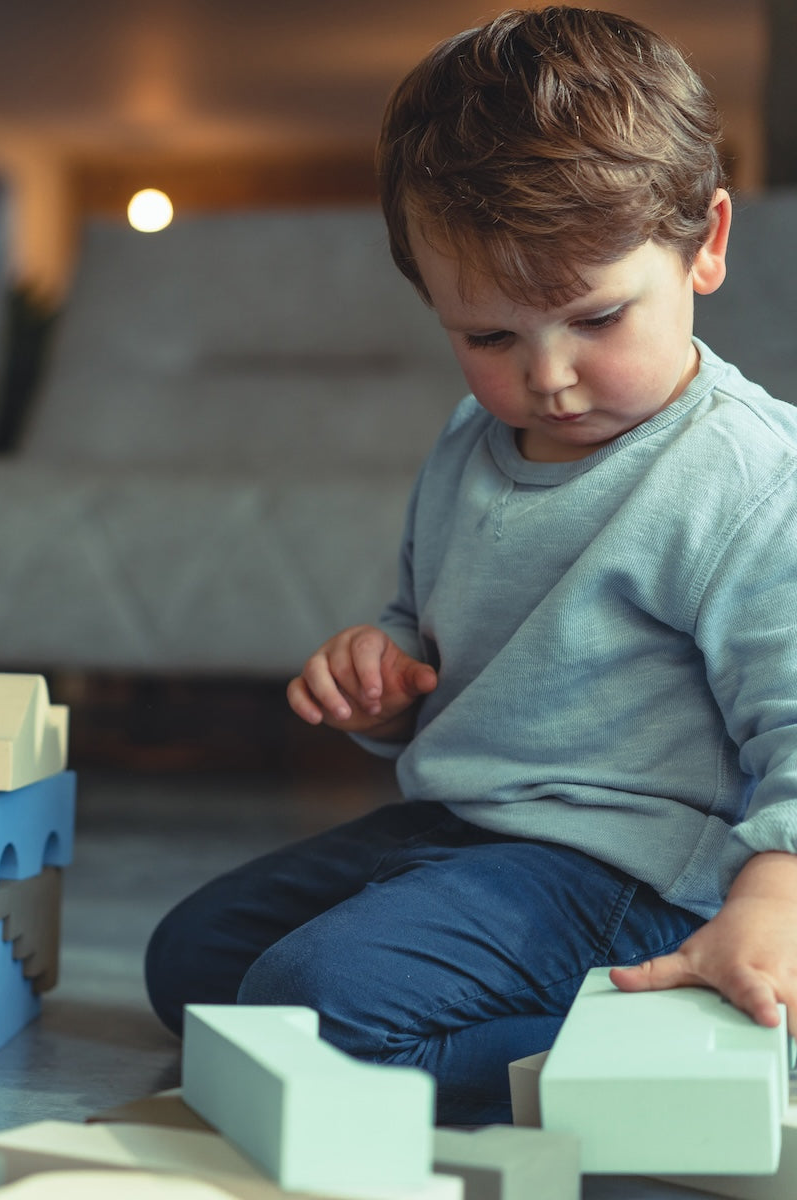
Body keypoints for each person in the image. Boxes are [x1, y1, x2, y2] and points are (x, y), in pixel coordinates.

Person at [143, 6, 797, 1124]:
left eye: (594, 317)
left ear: (707, 243)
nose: (548, 376)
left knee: (312, 1011)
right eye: (489, 336)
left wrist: (775, 899)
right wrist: (382, 676)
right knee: (193, 965)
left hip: (627, 874)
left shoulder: (747, 475)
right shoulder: (470, 441)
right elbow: (427, 632)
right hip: (467, 830)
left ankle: (717, 1057)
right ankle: (548, 1037)